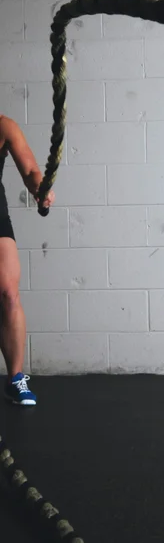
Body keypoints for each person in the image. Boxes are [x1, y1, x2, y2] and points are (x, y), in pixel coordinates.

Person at [0, 114, 54, 406]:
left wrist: (40, 188)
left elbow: (31, 169)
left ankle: (15, 378)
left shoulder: (4, 126)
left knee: (9, 292)